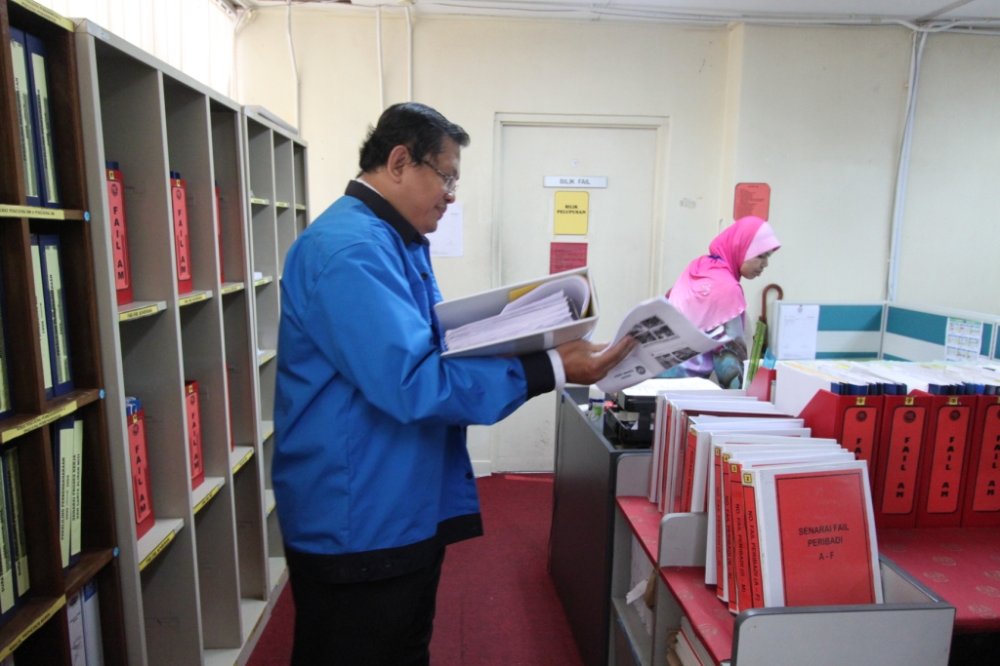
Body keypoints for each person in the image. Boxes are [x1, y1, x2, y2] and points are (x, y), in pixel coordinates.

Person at [271, 102, 635, 666]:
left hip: (392, 497)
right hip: (360, 517)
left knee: (401, 647)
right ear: (399, 162)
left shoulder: (392, 240)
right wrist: (551, 366)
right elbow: (414, 382)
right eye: (446, 177)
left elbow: (425, 349)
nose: (450, 196)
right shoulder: (351, 251)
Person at [660, 215, 780, 389]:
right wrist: (745, 397)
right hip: (682, 388)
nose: (765, 264)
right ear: (741, 248)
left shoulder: (698, 267)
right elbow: (730, 370)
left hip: (654, 376)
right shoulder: (727, 289)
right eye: (761, 256)